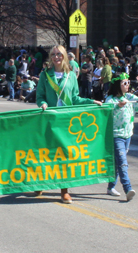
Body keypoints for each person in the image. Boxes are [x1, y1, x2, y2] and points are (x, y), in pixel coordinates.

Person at [36, 45, 103, 204]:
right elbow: (40, 97)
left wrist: (91, 101)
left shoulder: (71, 76)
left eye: (59, 54)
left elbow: (75, 99)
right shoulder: (45, 75)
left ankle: (64, 191)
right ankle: (39, 182)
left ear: (65, 56)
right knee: (47, 154)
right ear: (51, 57)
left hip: (66, 121)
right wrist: (43, 104)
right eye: (54, 54)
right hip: (50, 120)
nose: (56, 57)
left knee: (64, 155)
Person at [105, 74, 138, 201]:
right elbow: (106, 112)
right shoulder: (111, 99)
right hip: (116, 136)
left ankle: (110, 187)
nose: (127, 85)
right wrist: (117, 106)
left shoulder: (129, 97)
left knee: (117, 163)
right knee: (123, 163)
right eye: (124, 83)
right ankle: (127, 188)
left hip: (127, 135)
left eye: (128, 83)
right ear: (117, 85)